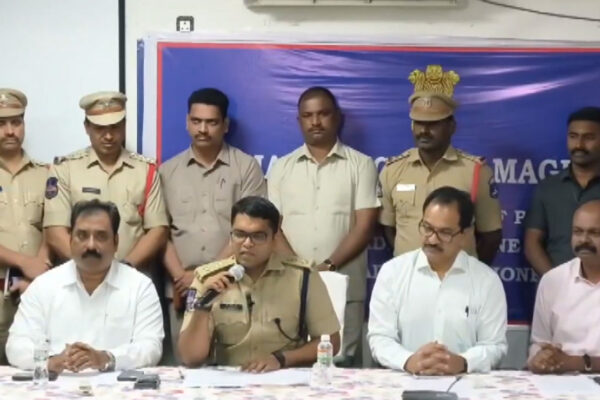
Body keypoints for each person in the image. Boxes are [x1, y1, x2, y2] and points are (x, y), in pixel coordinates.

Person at [267, 87, 380, 366]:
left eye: (323, 114)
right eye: (308, 116)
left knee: (343, 364)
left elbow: (365, 226)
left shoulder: (361, 165)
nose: (315, 122)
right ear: (299, 121)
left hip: (343, 283)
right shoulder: (281, 168)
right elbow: (273, 228)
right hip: (292, 287)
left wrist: (328, 266)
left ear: (337, 117)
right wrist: (301, 271)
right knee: (292, 362)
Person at [160, 88, 266, 361]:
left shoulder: (246, 167)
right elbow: (160, 232)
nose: (203, 129)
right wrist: (182, 278)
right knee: (187, 366)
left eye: (211, 122)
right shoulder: (167, 172)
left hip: (233, 285)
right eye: (196, 121)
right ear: (187, 122)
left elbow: (250, 231)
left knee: (233, 366)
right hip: (181, 291)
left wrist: (202, 276)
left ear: (225, 125)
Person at [178, 196, 340, 371]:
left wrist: (281, 359)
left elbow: (331, 341)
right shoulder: (208, 280)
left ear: (274, 238)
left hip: (284, 376)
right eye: (239, 234)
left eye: (258, 236)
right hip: (230, 378)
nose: (247, 243)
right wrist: (202, 307)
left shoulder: (302, 277)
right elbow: (190, 358)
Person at [6, 200, 164, 372]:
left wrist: (106, 358)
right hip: (57, 383)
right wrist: (51, 361)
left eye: (101, 236)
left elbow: (151, 347)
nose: (91, 245)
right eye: (82, 235)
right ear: (70, 240)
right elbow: (16, 345)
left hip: (117, 384)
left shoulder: (140, 287)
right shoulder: (44, 285)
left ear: (116, 242)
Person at [368, 186, 507, 374]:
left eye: (445, 232)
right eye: (427, 228)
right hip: (405, 381)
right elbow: (380, 338)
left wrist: (463, 362)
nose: (432, 240)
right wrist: (408, 361)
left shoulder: (486, 281)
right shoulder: (393, 273)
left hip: (463, 383)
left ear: (465, 235)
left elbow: (494, 346)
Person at [379, 65, 502, 265]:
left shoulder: (476, 172)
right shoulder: (392, 170)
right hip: (407, 277)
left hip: (458, 278)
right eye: (419, 123)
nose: (424, 131)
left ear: (451, 127)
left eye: (433, 123)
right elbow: (388, 228)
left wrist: (467, 271)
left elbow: (491, 236)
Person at [43, 91, 168, 270]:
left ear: (124, 125)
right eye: (100, 128)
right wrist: (91, 268)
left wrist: (123, 270)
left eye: (115, 127)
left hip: (132, 276)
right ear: (86, 127)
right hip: (79, 276)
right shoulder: (64, 169)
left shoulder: (146, 170)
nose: (108, 136)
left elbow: (158, 231)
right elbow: (55, 232)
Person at [0, 88, 51, 364]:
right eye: (1, 123)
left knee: (35, 373)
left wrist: (38, 272)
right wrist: (24, 262)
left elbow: (53, 227)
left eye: (16, 122)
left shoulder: (46, 174)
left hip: (34, 293)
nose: (10, 131)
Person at [525, 107, 600, 276]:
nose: (579, 145)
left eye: (588, 137)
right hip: (556, 286)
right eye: (573, 136)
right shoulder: (548, 187)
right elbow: (532, 244)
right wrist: (556, 282)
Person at [528, 200, 600, 374]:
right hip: (560, 381)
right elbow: (539, 343)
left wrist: (576, 363)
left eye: (594, 233)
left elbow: (570, 362)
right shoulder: (553, 280)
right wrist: (541, 357)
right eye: (577, 232)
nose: (584, 240)